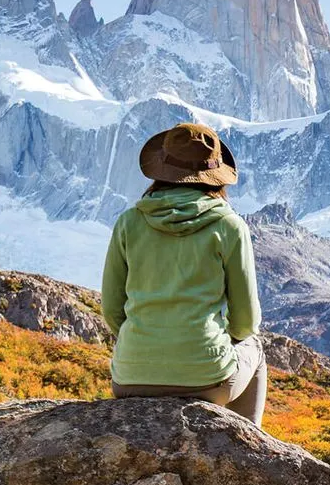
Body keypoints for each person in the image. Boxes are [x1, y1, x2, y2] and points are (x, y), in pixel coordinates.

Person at [102, 122, 266, 425]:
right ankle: (247, 448)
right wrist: (202, 345)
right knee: (254, 347)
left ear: (161, 170)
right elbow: (246, 323)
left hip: (130, 378)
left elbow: (112, 310)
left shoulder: (129, 222)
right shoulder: (229, 226)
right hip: (207, 380)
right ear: (215, 177)